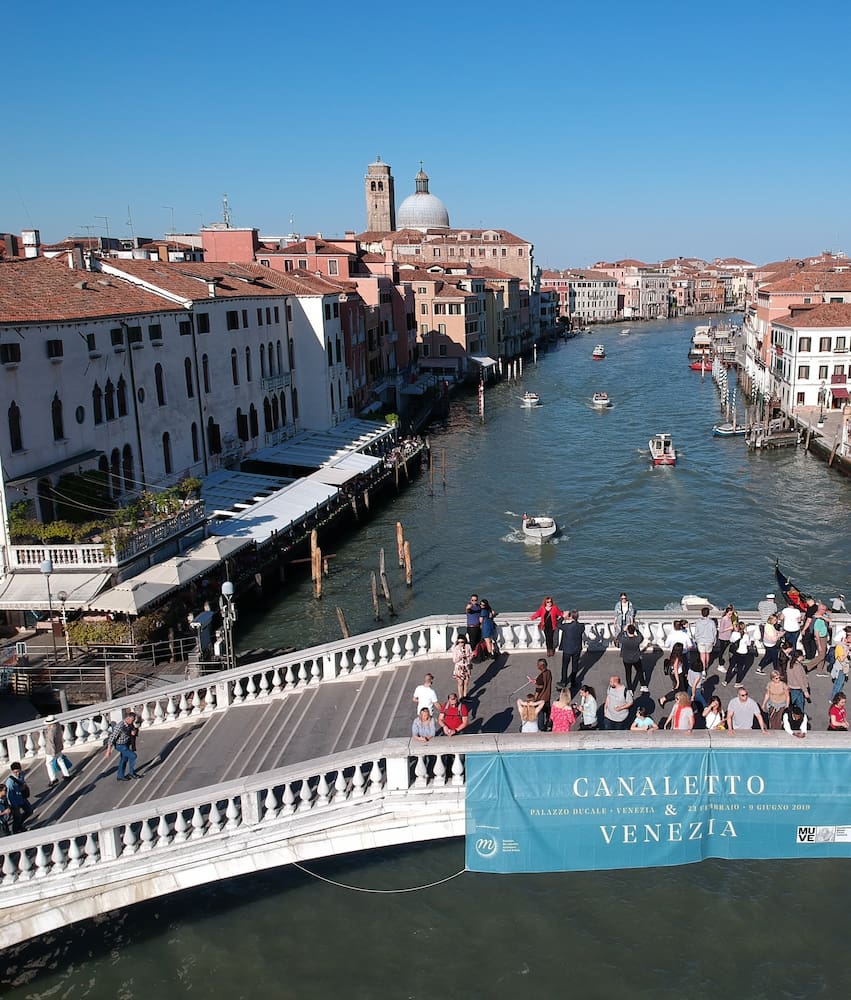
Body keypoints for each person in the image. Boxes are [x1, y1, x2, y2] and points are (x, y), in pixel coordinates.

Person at [105, 709, 141, 781]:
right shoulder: (119, 726)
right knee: (133, 756)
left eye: (133, 720)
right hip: (120, 745)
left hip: (126, 744)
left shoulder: (130, 724)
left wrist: (134, 732)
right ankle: (132, 773)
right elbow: (112, 737)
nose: (132, 722)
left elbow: (133, 730)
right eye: (132, 720)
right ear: (128, 718)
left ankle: (120, 776)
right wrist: (108, 751)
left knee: (124, 759)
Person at [557, 610, 584, 690]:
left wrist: (563, 617)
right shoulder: (581, 626)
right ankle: (573, 681)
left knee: (565, 666)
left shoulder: (566, 626)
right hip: (577, 649)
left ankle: (564, 681)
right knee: (575, 665)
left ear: (570, 616)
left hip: (567, 649)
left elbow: (558, 624)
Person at [43, 715, 73, 785]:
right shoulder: (58, 727)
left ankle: (53, 779)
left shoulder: (51, 731)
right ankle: (66, 774)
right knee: (60, 760)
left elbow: (51, 743)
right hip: (58, 748)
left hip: (51, 751)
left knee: (48, 764)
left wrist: (53, 753)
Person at [5, 763, 33, 832]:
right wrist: (14, 806)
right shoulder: (10, 782)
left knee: (29, 811)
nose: (17, 773)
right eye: (15, 772)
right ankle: (16, 830)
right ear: (12, 772)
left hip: (22, 798)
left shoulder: (21, 774)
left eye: (18, 771)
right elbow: (9, 795)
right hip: (15, 801)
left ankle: (20, 825)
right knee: (17, 817)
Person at [659, 642, 689, 708]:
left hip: (675, 674)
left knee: (680, 689)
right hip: (678, 675)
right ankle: (663, 699)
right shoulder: (677, 658)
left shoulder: (673, 655)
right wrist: (678, 681)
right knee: (679, 690)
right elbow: (676, 670)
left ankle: (678, 700)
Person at [619, 622, 647, 692]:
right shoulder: (637, 639)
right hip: (636, 658)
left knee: (628, 673)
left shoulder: (624, 640)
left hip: (626, 659)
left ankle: (630, 689)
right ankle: (643, 685)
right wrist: (636, 629)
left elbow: (618, 637)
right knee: (639, 671)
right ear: (633, 631)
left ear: (627, 631)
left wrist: (623, 630)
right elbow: (641, 637)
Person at [528, 657, 553, 731]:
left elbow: (538, 689)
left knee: (541, 713)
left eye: (538, 665)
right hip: (547, 695)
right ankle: (549, 723)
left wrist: (535, 699)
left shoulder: (540, 677)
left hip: (541, 698)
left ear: (541, 666)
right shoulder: (548, 672)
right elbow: (543, 682)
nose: (537, 666)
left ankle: (541, 727)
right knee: (548, 711)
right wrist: (535, 681)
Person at [692, 607, 717, 673]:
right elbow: (714, 632)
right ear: (708, 613)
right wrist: (714, 641)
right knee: (707, 654)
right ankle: (706, 665)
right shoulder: (712, 622)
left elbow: (696, 632)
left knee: (702, 654)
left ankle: (703, 669)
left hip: (700, 640)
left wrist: (696, 640)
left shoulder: (698, 622)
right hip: (709, 640)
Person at [829, 628, 851, 700]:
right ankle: (834, 699)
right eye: (848, 638)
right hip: (840, 668)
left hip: (844, 668)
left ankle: (837, 698)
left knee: (840, 684)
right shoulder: (840, 647)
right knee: (838, 684)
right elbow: (841, 659)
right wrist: (847, 653)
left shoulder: (845, 646)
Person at [451, 635, 474, 700]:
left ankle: (465, 695)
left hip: (466, 666)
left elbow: (470, 655)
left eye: (462, 642)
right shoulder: (455, 648)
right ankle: (460, 697)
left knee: (466, 682)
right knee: (460, 683)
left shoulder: (468, 646)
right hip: (459, 667)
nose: (461, 643)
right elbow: (454, 660)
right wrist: (460, 657)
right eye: (459, 642)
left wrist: (470, 656)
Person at [810, 604, 831, 672]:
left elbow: (829, 620)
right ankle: (808, 666)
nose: (825, 611)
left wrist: (822, 616)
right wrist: (819, 645)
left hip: (823, 637)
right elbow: (816, 633)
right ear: (820, 610)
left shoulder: (821, 617)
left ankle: (819, 670)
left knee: (822, 654)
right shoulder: (817, 620)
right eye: (824, 610)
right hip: (820, 638)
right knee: (821, 655)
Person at [717, 604, 736, 668]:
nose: (731, 615)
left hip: (728, 637)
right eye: (729, 614)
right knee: (722, 652)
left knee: (728, 651)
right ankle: (720, 664)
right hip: (723, 638)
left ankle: (727, 663)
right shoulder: (724, 619)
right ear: (726, 613)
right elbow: (721, 630)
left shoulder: (729, 618)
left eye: (731, 614)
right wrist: (730, 628)